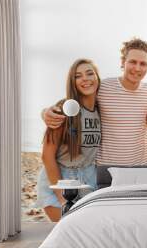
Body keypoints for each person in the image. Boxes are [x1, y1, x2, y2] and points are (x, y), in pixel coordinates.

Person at [43, 38, 147, 165]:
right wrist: (45, 112)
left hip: (139, 167)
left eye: (143, 64)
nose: (137, 68)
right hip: (105, 168)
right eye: (133, 62)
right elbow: (75, 101)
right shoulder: (104, 87)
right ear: (123, 62)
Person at [36, 58, 101, 222]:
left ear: (97, 78)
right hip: (61, 177)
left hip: (89, 177)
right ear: (73, 82)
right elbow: (47, 155)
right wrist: (62, 196)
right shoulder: (65, 108)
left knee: (87, 231)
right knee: (67, 230)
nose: (85, 78)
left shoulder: (102, 109)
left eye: (89, 73)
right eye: (78, 76)